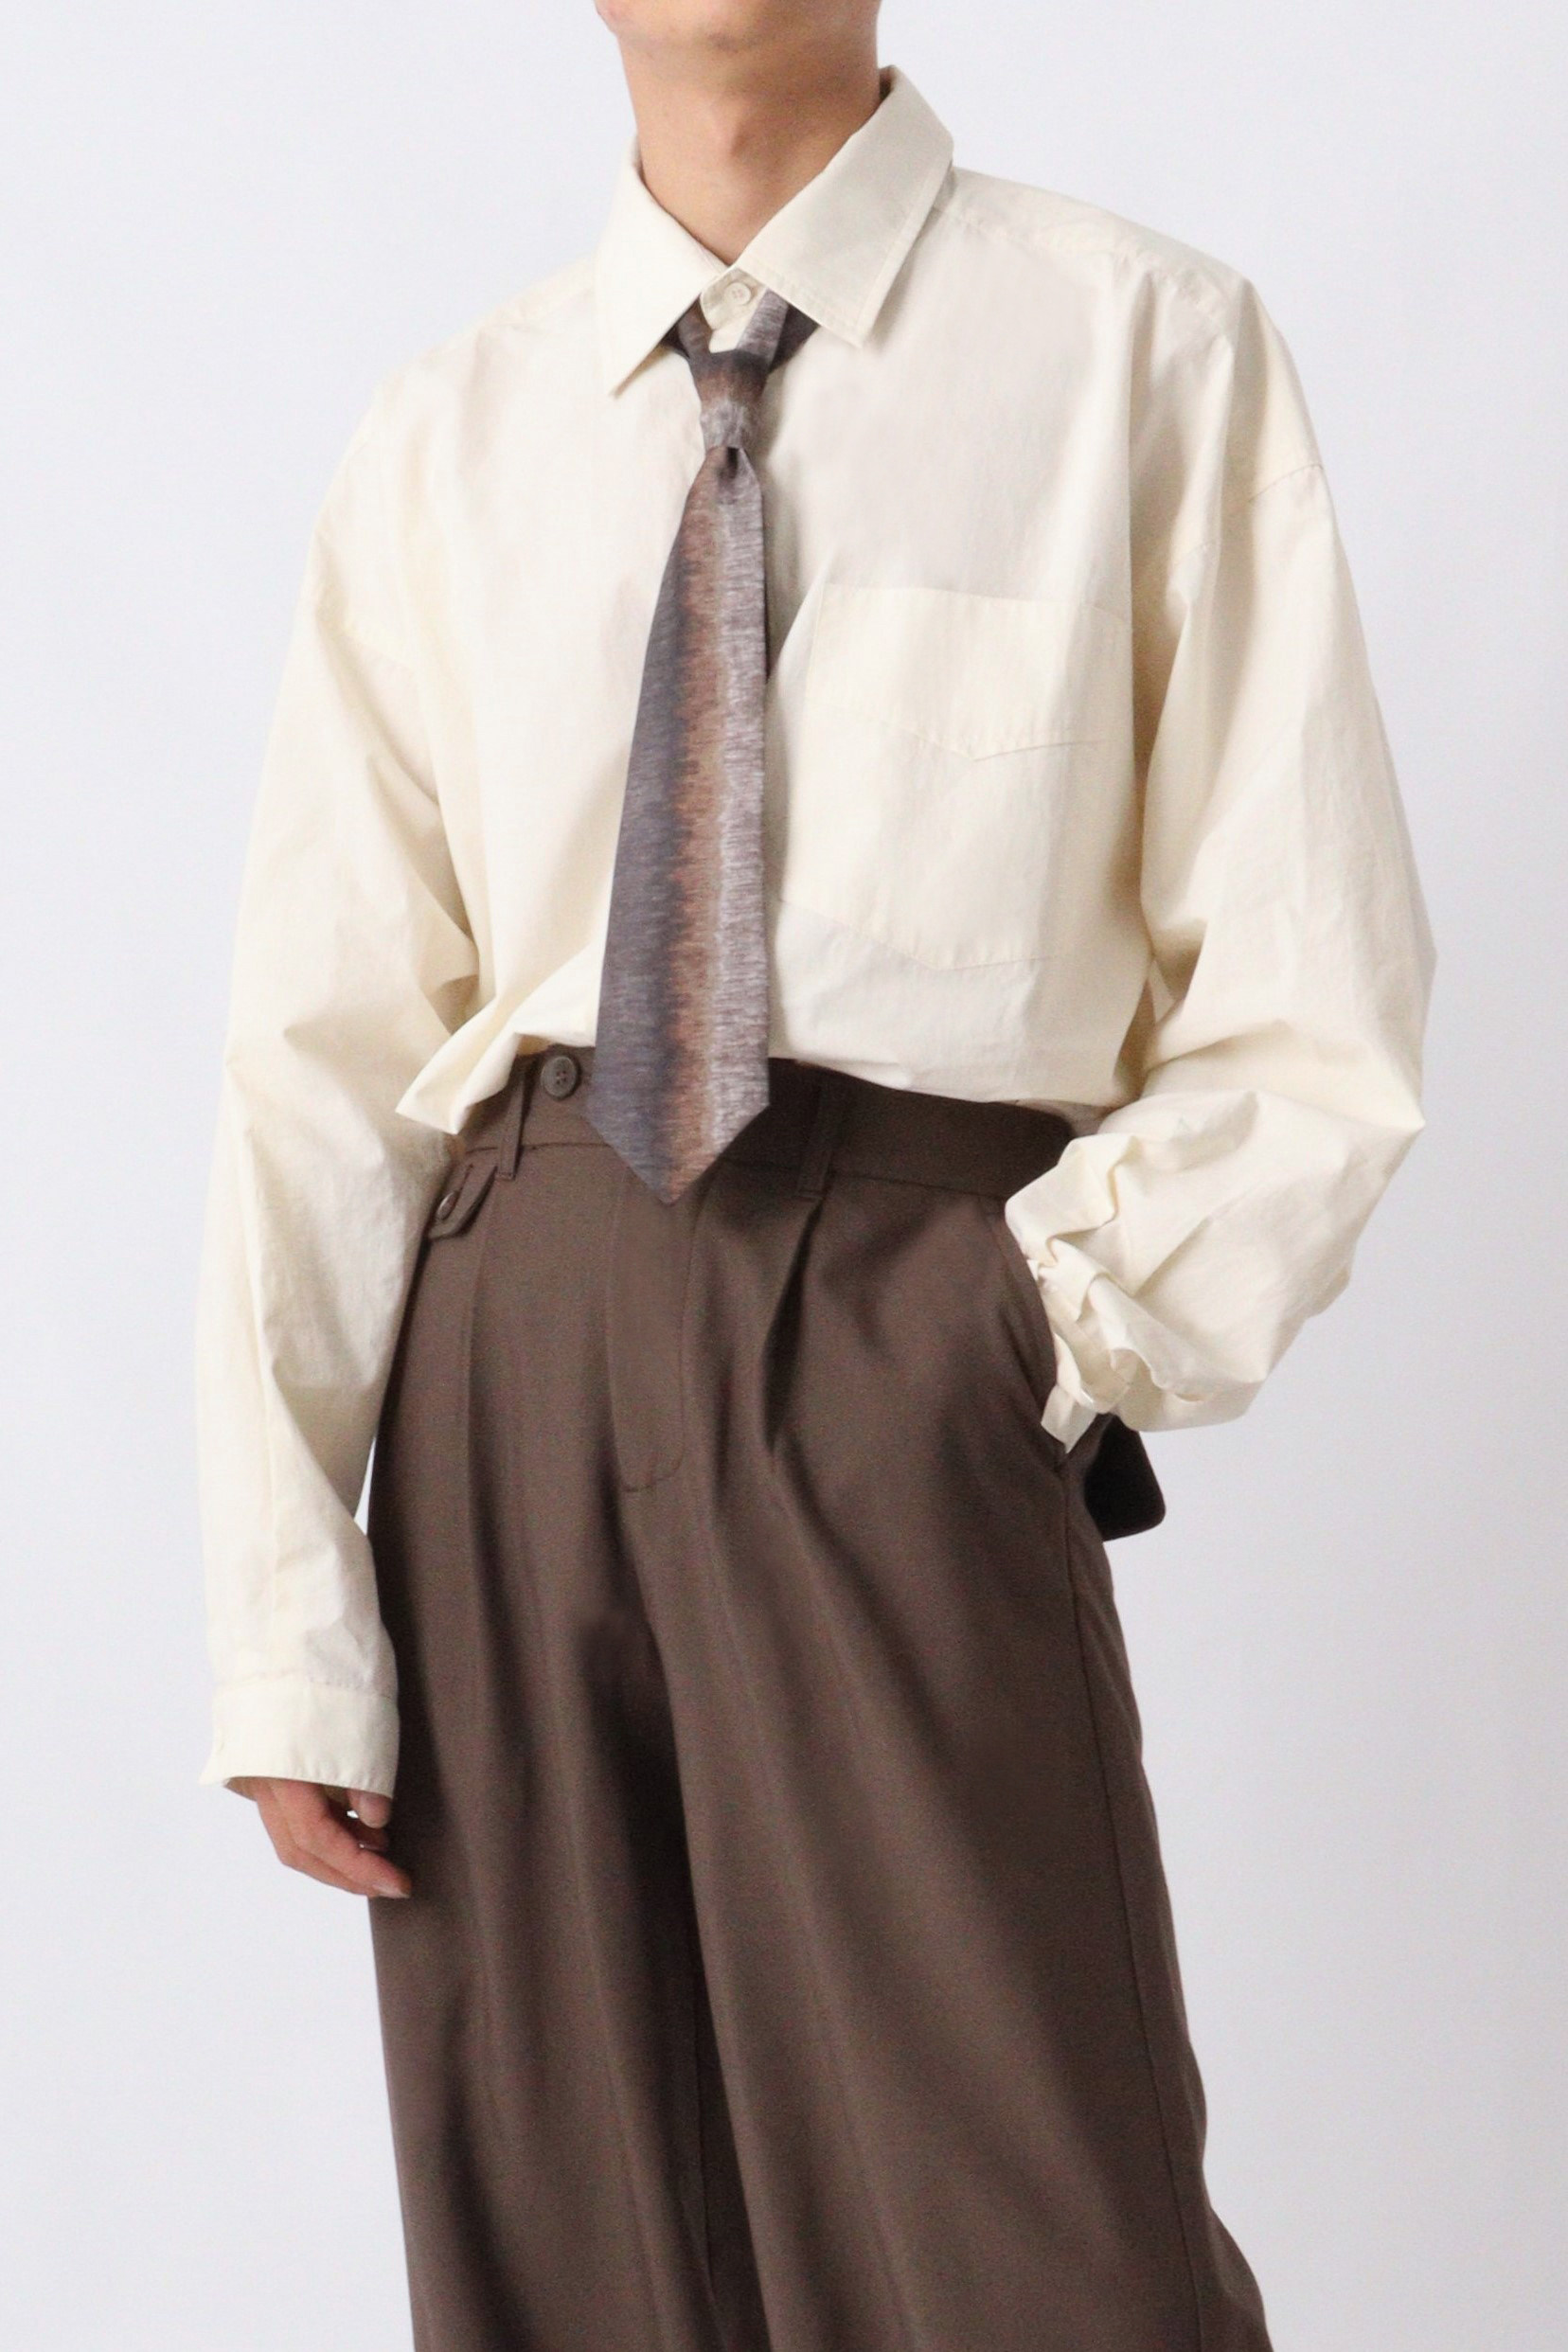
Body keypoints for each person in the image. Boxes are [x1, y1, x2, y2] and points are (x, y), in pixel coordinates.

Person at [195, 5, 1434, 2346]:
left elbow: (1312, 1002)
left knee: (1029, 2244)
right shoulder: (447, 435)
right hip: (509, 1347)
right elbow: (322, 1056)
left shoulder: (1138, 345)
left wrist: (1021, 1335)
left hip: (902, 1321)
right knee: (580, 2242)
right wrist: (289, 1612)